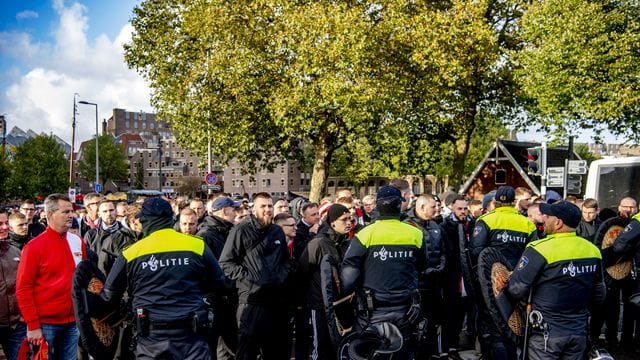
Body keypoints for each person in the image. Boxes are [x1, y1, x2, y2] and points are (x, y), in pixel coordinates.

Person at [100, 197, 227, 359]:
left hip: (150, 339)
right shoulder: (197, 245)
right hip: (190, 337)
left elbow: (109, 295)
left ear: (146, 221)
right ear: (170, 218)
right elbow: (220, 283)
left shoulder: (130, 253)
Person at [507, 201, 606, 359]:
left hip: (546, 335)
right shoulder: (592, 250)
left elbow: (516, 289)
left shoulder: (538, 249)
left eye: (548, 216)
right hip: (578, 331)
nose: (544, 219)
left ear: (558, 223)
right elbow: (599, 294)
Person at [341, 186, 426, 359]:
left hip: (372, 310)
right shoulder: (416, 234)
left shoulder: (365, 235)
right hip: (406, 310)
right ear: (399, 206)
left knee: (371, 353)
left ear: (378, 206)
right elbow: (422, 266)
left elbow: (349, 277)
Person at [219, 192, 291, 360]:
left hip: (276, 302)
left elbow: (285, 261)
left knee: (276, 351)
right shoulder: (241, 230)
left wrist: (282, 276)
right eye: (263, 206)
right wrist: (249, 278)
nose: (267, 210)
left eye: (270, 206)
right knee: (247, 352)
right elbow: (225, 263)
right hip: (251, 302)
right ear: (253, 209)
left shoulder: (277, 231)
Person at [470, 185, 537, 360]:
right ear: (514, 202)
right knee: (513, 323)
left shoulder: (486, 220)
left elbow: (477, 252)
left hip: (490, 284)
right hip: (517, 284)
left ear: (496, 202)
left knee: (491, 325)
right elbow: (532, 255)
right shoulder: (527, 224)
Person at [16, 193, 87, 359]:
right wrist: (33, 325)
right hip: (44, 324)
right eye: (65, 212)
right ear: (50, 214)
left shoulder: (78, 241)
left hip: (73, 322)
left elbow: (83, 280)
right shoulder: (34, 247)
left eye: (72, 211)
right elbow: (23, 288)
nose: (71, 215)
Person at [298, 204, 352, 360]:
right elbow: (302, 272)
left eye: (350, 219)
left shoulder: (346, 243)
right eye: (344, 219)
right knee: (320, 348)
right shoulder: (318, 243)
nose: (348, 223)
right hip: (319, 305)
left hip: (340, 304)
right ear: (333, 222)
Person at [404, 194, 446, 358]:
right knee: (418, 324)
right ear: (421, 208)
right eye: (433, 207)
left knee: (434, 322)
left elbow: (443, 250)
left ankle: (433, 353)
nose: (437, 209)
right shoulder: (407, 225)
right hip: (416, 285)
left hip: (434, 284)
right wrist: (421, 272)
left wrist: (442, 265)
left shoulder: (436, 226)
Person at [440, 195, 475, 357]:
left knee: (464, 312)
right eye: (459, 208)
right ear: (452, 208)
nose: (463, 211)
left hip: (468, 275)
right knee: (450, 314)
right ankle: (448, 347)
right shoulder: (445, 226)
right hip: (452, 276)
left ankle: (458, 344)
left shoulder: (473, 225)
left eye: (465, 208)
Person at [1, 209, 26, 360]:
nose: (5, 227)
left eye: (6, 223)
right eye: (0, 224)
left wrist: (24, 316)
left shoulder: (16, 252)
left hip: (17, 325)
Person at [84, 200, 123, 275]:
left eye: (111, 210)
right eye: (105, 211)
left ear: (116, 211)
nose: (109, 214)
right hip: (99, 279)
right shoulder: (91, 235)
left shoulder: (126, 233)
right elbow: (86, 260)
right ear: (99, 214)